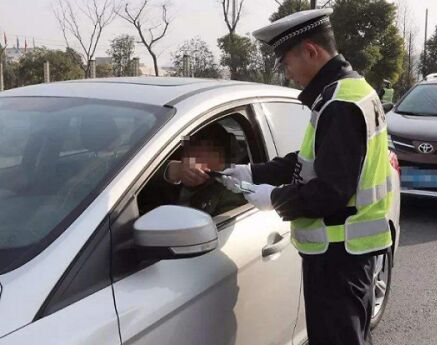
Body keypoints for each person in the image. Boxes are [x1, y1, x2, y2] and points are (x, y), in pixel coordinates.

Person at [220, 9, 394, 345]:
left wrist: (275, 199)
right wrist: (253, 172)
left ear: (311, 51)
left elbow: (330, 191)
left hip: (339, 255)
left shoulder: (340, 104)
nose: (287, 73)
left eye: (286, 62)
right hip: (349, 253)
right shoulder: (351, 91)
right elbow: (307, 162)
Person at [138, 123, 246, 216]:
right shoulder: (168, 175)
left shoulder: (230, 191)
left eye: (199, 146)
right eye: (188, 145)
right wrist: (170, 171)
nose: (189, 152)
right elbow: (130, 177)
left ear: (219, 157)